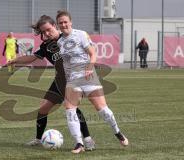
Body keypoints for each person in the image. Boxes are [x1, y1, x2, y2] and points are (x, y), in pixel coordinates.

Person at [7, 15, 95, 151]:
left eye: (48, 29)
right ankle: (38, 139)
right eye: (43, 32)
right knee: (43, 108)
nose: (47, 33)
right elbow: (32, 58)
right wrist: (15, 60)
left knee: (72, 108)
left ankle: (88, 140)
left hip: (74, 78)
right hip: (59, 80)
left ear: (55, 25)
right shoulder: (46, 45)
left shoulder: (69, 38)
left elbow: (88, 51)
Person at [56, 10, 128, 154]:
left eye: (65, 21)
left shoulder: (81, 34)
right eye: (60, 23)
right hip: (73, 79)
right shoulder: (60, 42)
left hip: (88, 75)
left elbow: (93, 53)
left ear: (70, 22)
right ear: (58, 25)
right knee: (70, 111)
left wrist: (90, 66)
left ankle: (118, 132)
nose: (63, 24)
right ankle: (79, 143)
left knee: (103, 110)